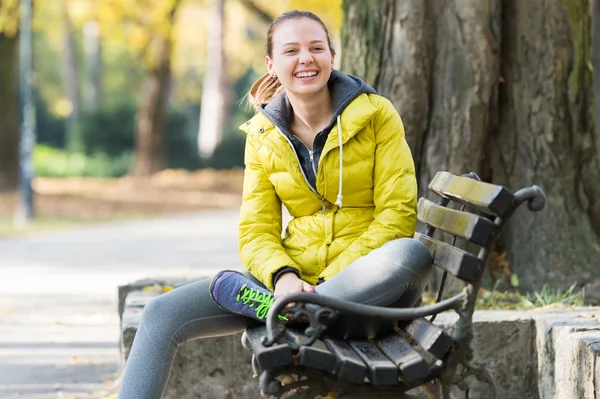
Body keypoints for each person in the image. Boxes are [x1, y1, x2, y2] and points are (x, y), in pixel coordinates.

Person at [117, 10, 432, 399]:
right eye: (292, 50)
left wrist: (316, 287)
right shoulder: (263, 135)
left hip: (367, 289)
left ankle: (295, 312)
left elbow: (396, 216)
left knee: (409, 253)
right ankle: (290, 310)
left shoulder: (376, 115)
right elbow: (256, 231)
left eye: (317, 48)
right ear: (272, 64)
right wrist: (284, 277)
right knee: (160, 315)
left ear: (331, 56)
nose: (306, 59)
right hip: (288, 286)